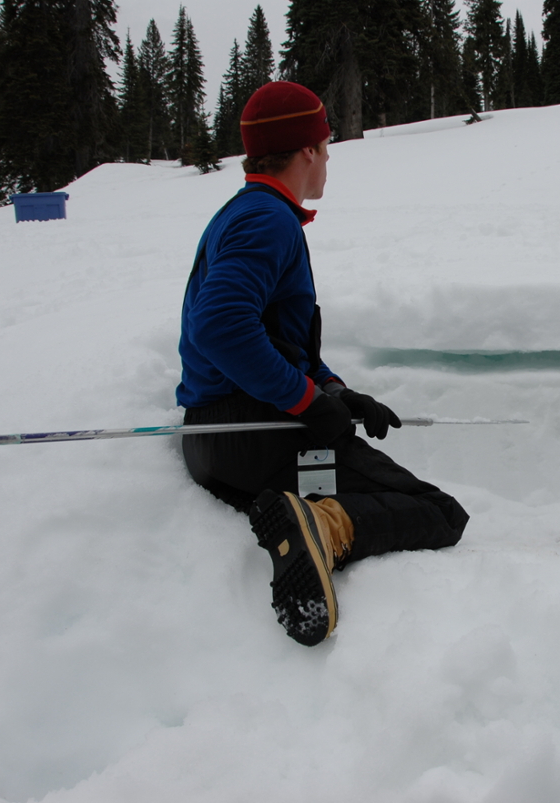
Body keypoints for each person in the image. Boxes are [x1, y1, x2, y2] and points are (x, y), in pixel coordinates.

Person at [177, 82, 468, 646]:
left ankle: (302, 514)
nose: (330, 159)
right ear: (305, 148)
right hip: (257, 433)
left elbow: (275, 337)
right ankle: (321, 526)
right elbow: (220, 326)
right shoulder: (267, 219)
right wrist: (308, 403)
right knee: (437, 512)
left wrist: (334, 389)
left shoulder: (248, 213)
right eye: (327, 145)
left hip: (217, 444)